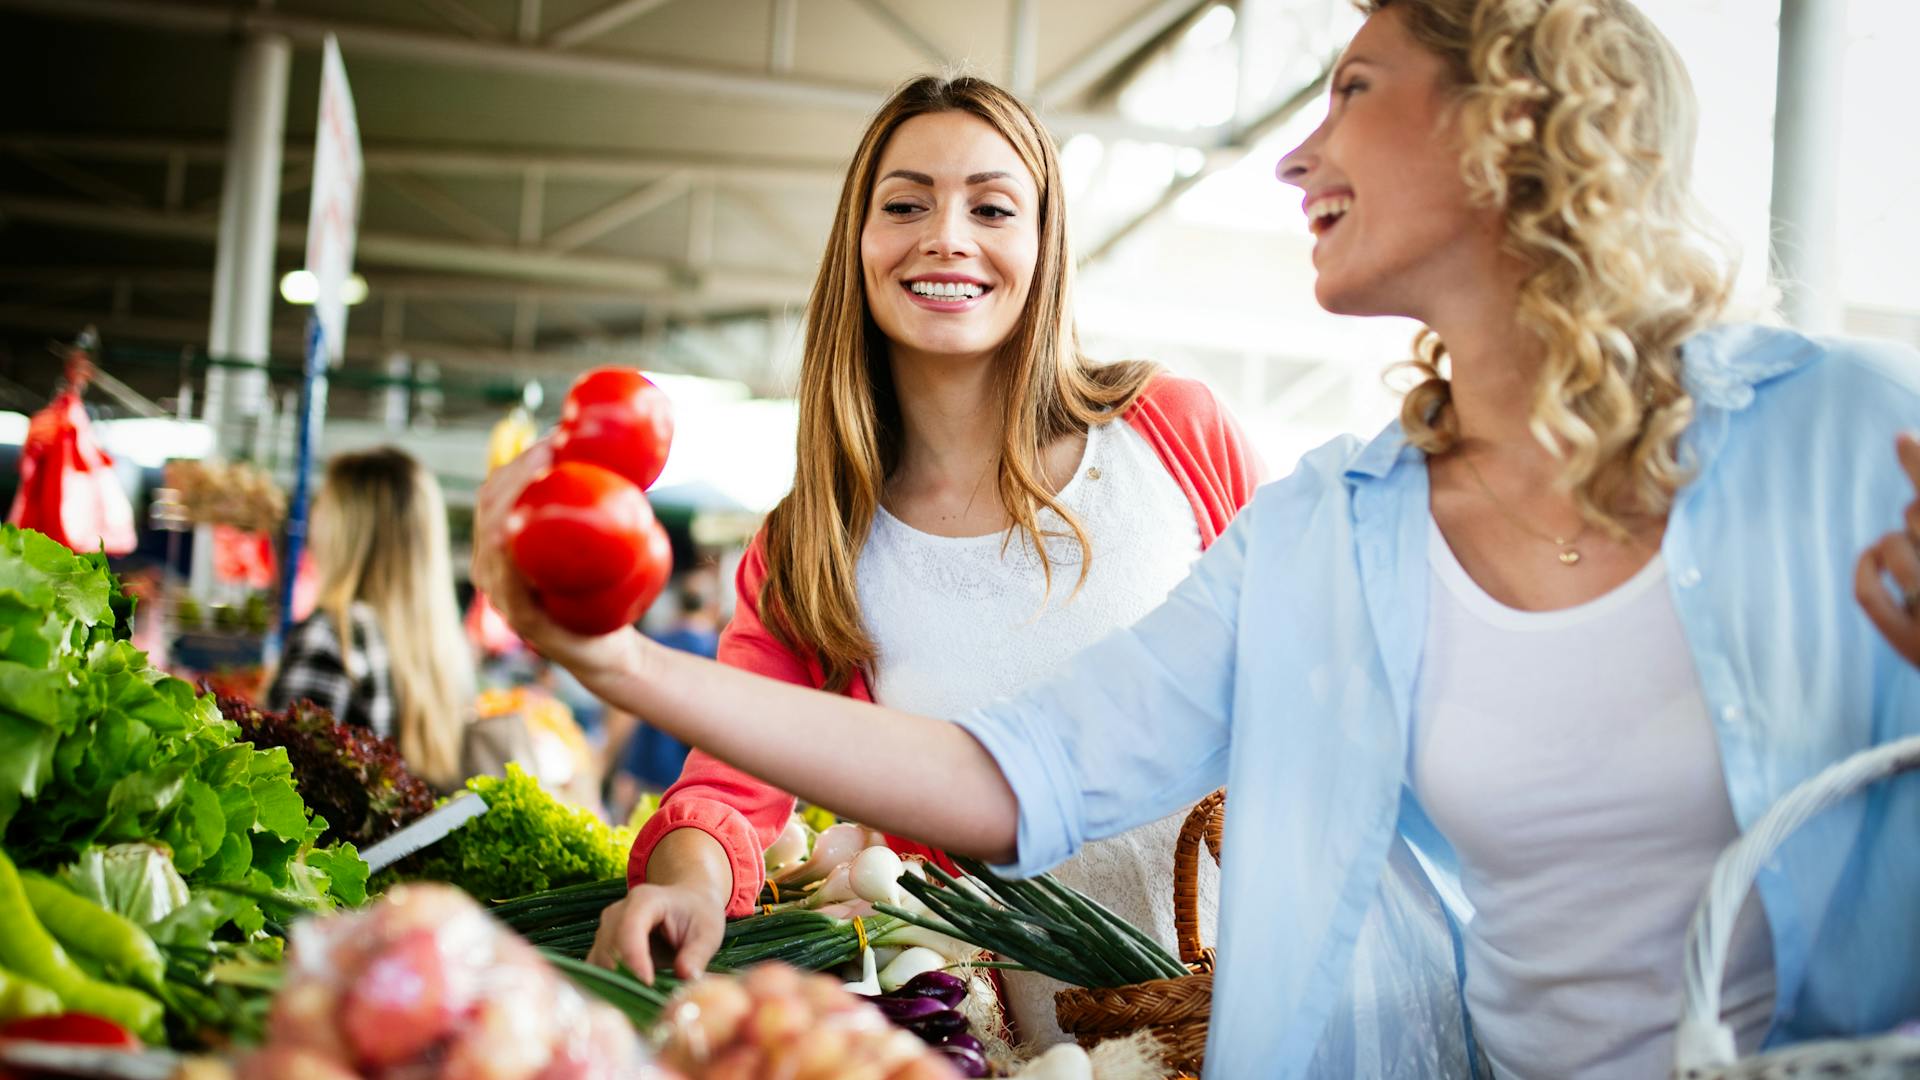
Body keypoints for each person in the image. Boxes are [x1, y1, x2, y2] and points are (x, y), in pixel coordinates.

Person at [474, 2, 1920, 1074]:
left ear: (1514, 123)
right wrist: (621, 668)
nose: (1295, 156)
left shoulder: (1844, 443)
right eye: (904, 205)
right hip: (1083, 1024)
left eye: (1352, 87)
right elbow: (1020, 769)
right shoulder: (1337, 537)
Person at [591, 75, 1265, 1047]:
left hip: (1258, 1014)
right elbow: (729, 780)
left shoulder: (1171, 432)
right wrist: (689, 880)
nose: (947, 235)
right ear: (858, 245)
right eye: (906, 204)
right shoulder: (816, 541)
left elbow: (1311, 668)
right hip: (1027, 1053)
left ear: (1044, 245)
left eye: (991, 207)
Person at [270, 447, 475, 792]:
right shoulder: (445, 647)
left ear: (348, 529)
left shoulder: (333, 636)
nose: (314, 519)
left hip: (337, 847)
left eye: (323, 505)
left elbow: (280, 795)